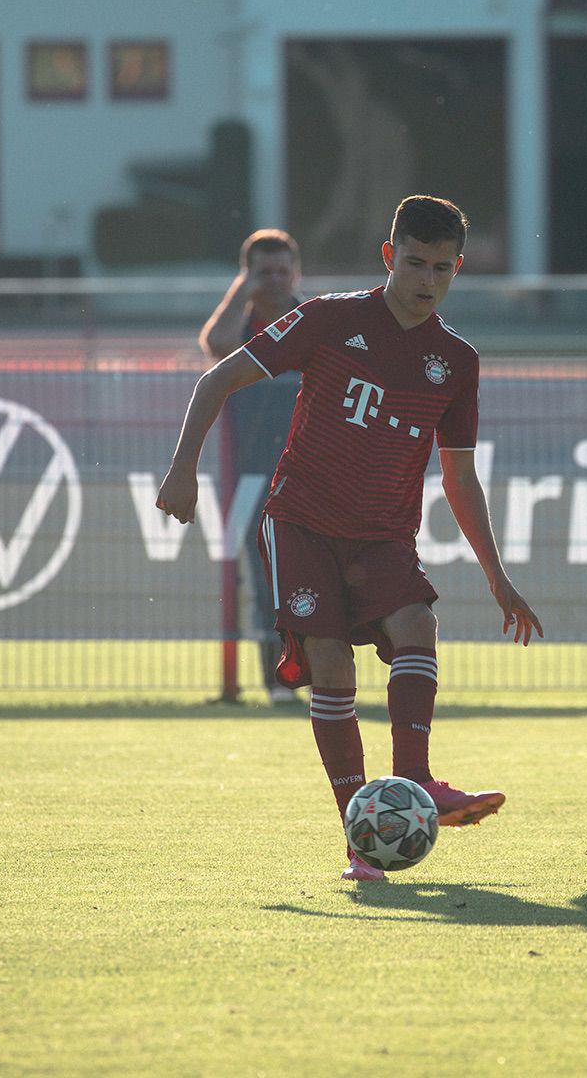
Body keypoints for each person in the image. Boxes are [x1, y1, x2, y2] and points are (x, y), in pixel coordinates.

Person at [157, 195, 543, 881]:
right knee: (332, 665)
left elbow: (460, 480)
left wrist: (497, 577)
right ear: (390, 257)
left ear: (458, 271)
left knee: (418, 621)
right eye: (416, 264)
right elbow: (219, 375)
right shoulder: (332, 320)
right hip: (301, 523)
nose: (427, 281)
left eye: (444, 270)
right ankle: (360, 840)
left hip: (383, 535)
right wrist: (183, 466)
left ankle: (416, 781)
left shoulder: (455, 361)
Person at [199, 230, 303, 703]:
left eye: (283, 270)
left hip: (311, 472)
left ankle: (324, 677)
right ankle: (279, 683)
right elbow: (214, 343)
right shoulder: (242, 329)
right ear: (248, 276)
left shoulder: (313, 321)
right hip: (252, 475)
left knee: (317, 576)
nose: (277, 281)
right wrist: (243, 291)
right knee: (264, 578)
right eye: (265, 272)